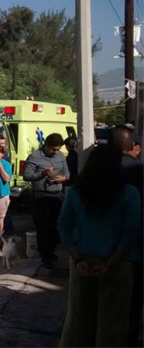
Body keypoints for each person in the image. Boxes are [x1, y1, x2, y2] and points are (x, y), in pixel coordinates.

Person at [58, 144, 141, 347]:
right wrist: (109, 263)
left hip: (82, 263)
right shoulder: (129, 193)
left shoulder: (77, 192)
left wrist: (77, 259)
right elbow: (131, 232)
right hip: (117, 265)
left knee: (78, 320)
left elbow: (64, 225)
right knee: (112, 324)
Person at [113, 126, 144, 347]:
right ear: (134, 147)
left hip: (101, 249)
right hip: (135, 248)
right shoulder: (140, 172)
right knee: (133, 301)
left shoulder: (98, 172)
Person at [23, 133, 69, 269]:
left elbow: (67, 172)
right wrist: (42, 174)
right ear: (47, 146)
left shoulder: (60, 156)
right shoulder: (35, 157)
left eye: (58, 149)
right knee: (43, 228)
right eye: (53, 149)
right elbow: (27, 176)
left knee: (57, 226)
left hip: (57, 195)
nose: (56, 152)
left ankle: (51, 250)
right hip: (41, 196)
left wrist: (63, 178)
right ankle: (45, 256)